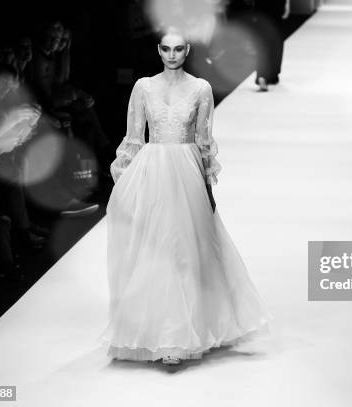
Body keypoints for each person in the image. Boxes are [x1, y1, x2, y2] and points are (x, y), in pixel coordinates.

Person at [100, 27, 273, 366]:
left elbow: (205, 140)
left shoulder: (200, 88)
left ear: (187, 50)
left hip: (187, 173)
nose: (172, 55)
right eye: (166, 48)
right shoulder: (143, 87)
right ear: (158, 50)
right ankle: (155, 332)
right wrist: (123, 181)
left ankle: (177, 337)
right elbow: (134, 137)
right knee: (153, 249)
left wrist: (208, 186)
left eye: (179, 49)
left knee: (184, 251)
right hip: (150, 173)